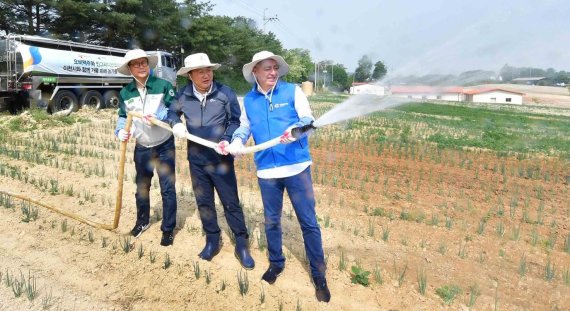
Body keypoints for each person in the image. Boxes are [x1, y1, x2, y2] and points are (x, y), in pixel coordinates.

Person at [227, 51, 331, 302]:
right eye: (267, 69)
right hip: (267, 172)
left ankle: (318, 273)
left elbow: (308, 119)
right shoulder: (249, 100)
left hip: (296, 168)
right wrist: (237, 141)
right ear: (255, 73)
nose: (272, 72)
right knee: (271, 221)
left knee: (308, 221)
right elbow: (245, 126)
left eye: (275, 68)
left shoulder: (292, 91)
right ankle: (276, 263)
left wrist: (295, 130)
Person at [166, 53, 254, 269]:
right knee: (204, 202)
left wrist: (226, 139)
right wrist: (176, 122)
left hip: (221, 158)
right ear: (190, 76)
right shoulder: (183, 94)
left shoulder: (224, 92)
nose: (206, 75)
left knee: (230, 202)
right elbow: (171, 112)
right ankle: (212, 239)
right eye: (200, 71)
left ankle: (241, 242)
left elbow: (235, 120)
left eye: (208, 70)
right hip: (196, 160)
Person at [114, 49, 177, 246]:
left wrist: (161, 118)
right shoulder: (126, 92)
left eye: (144, 62)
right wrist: (120, 131)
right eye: (136, 64)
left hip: (165, 145)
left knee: (167, 188)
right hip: (142, 147)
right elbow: (123, 117)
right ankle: (142, 222)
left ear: (148, 65)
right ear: (130, 69)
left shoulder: (163, 85)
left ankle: (167, 229)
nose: (141, 66)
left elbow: (174, 110)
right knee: (142, 187)